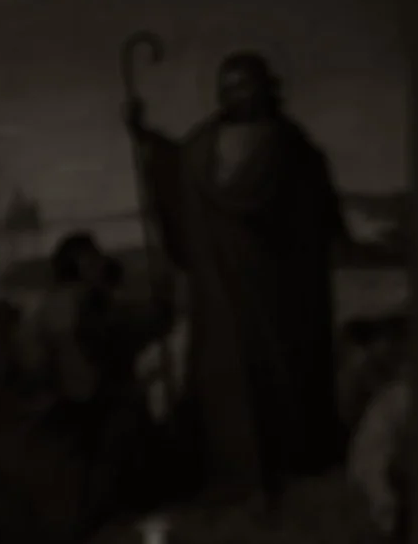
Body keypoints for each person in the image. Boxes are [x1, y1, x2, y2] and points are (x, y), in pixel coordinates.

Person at [127, 50, 352, 502]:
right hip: (221, 288)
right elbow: (174, 170)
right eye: (226, 87)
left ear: (267, 86)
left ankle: (292, 461)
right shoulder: (203, 144)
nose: (234, 95)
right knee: (225, 374)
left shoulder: (293, 146)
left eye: (244, 85)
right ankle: (227, 469)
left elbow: (317, 215)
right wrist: (145, 138)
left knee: (282, 373)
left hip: (278, 291)